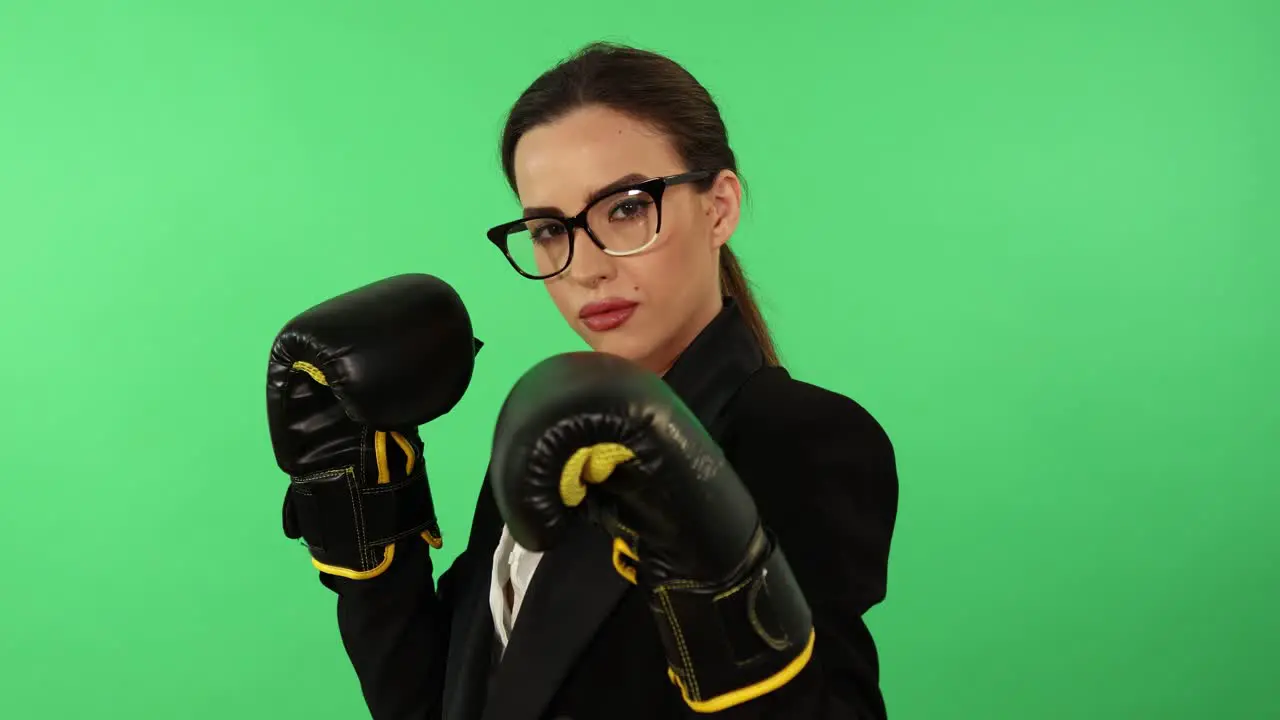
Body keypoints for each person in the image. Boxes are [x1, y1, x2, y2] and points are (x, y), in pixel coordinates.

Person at [266, 42, 898, 720]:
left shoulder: (799, 437)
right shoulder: (552, 438)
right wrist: (369, 533)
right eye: (547, 228)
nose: (584, 267)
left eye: (625, 207)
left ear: (719, 206)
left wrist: (719, 586)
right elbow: (439, 704)